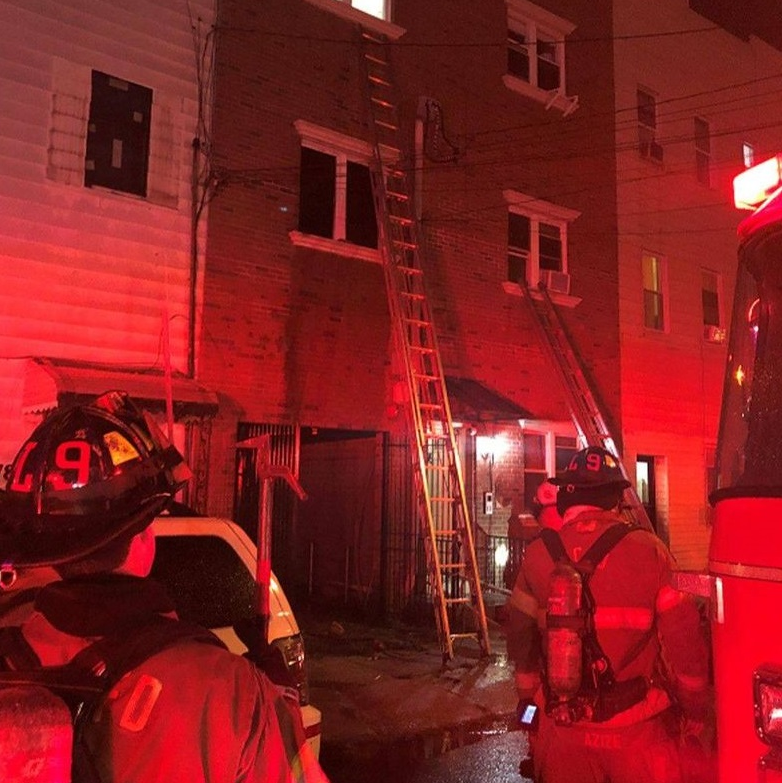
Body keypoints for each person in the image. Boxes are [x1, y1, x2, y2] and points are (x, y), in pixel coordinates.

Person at [0, 390, 329, 783]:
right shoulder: (227, 691)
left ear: (50, 553)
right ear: (145, 539)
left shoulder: (12, 663)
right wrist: (277, 699)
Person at [505, 446, 711, 783]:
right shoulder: (652, 552)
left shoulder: (539, 555)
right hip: (638, 739)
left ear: (566, 498)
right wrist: (694, 708)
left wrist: (530, 705)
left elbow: (520, 641)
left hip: (562, 737)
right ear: (615, 499)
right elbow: (685, 643)